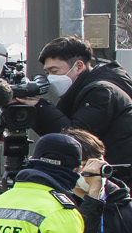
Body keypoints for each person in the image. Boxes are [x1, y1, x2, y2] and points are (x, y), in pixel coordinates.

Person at [24, 36, 132, 164]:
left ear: (78, 66)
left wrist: (40, 107)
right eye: (47, 72)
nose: (50, 78)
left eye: (54, 71)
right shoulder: (89, 90)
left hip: (116, 176)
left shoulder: (101, 92)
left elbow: (76, 139)